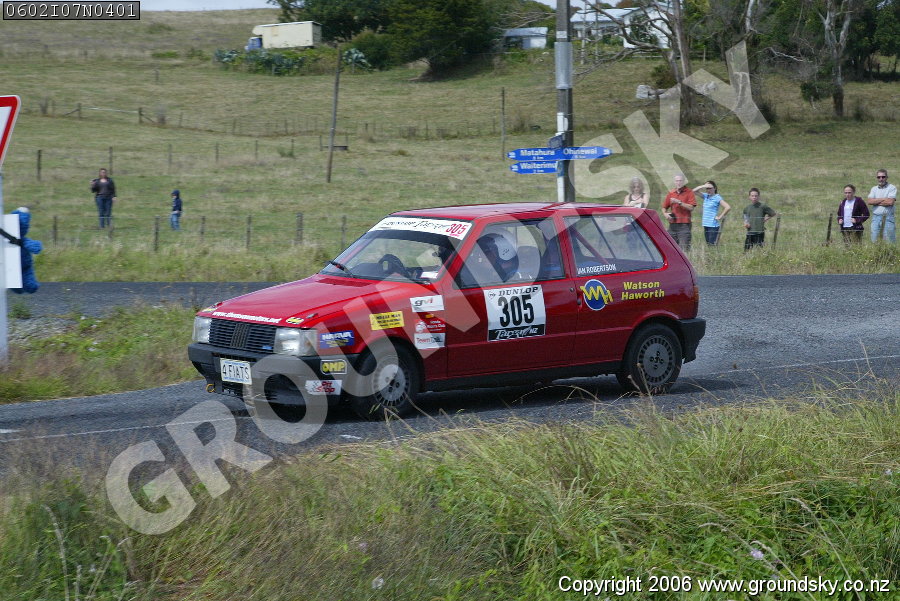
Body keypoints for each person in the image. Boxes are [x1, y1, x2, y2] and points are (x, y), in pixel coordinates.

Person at [0, 207, 43, 294]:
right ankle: (18, 287)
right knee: (13, 281)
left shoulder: (22, 241)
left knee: (29, 284)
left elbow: (36, 247)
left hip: (25, 266)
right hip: (11, 266)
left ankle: (27, 286)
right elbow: (36, 247)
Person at [662, 174, 696, 251]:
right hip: (672, 225)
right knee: (671, 249)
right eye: (677, 181)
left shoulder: (689, 192)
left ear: (684, 182)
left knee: (684, 249)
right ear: (674, 182)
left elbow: (691, 208)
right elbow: (664, 207)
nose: (678, 183)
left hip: (684, 225)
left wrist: (679, 202)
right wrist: (665, 214)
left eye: (680, 181)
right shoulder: (671, 193)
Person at [693, 180, 730, 246]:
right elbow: (693, 191)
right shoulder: (706, 196)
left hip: (713, 225)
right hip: (706, 224)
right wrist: (703, 186)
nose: (708, 190)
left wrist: (720, 217)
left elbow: (727, 207)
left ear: (714, 188)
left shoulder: (717, 197)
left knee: (712, 245)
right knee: (708, 244)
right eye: (707, 188)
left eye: (710, 188)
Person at [866, 169, 896, 243]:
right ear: (877, 178)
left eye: (883, 177)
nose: (881, 179)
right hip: (875, 218)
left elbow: (890, 202)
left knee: (889, 242)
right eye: (879, 177)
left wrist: (875, 201)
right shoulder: (874, 189)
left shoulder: (892, 188)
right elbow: (869, 201)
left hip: (888, 218)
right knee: (874, 241)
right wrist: (884, 199)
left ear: (887, 177)